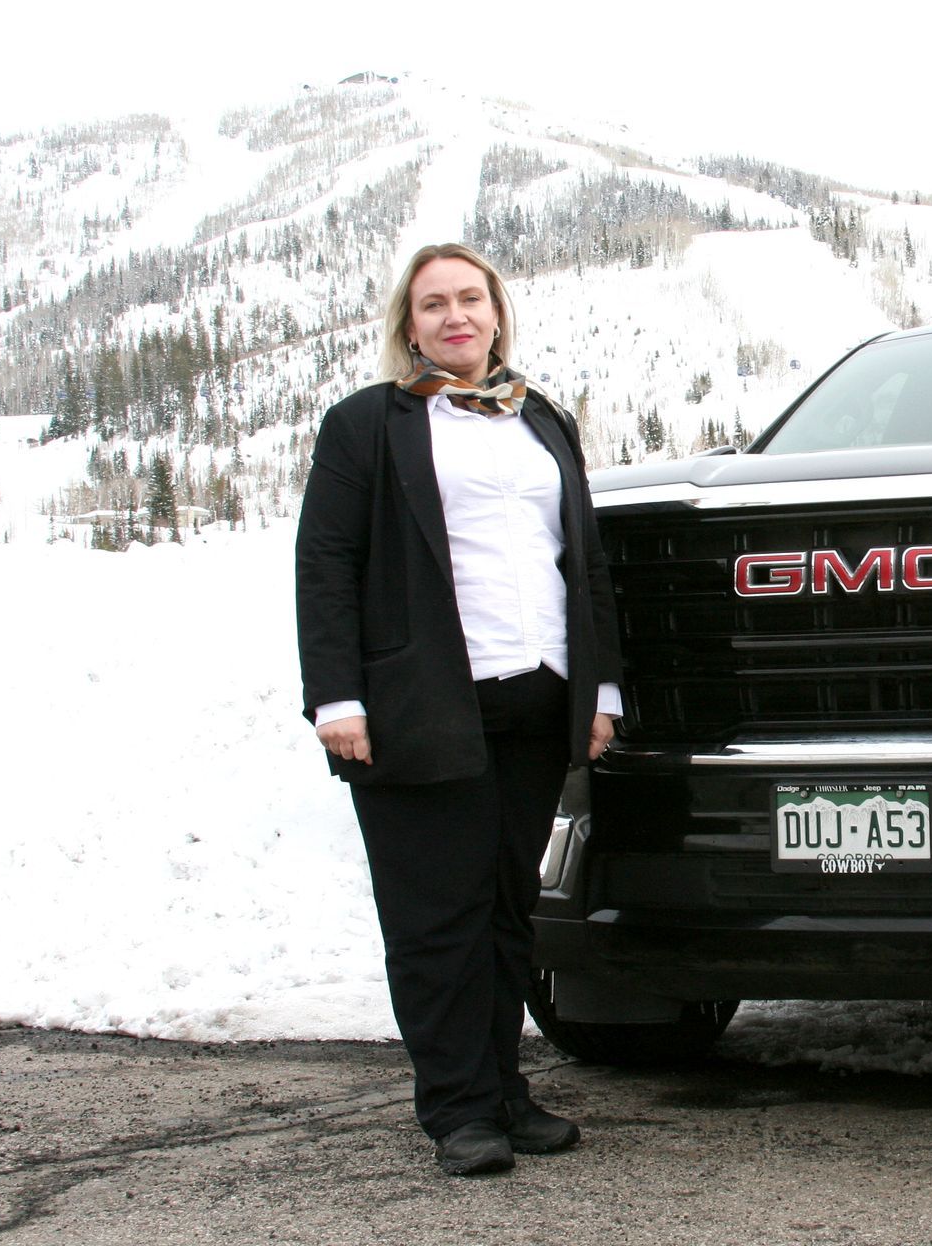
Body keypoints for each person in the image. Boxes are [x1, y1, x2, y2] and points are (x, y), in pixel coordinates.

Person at [295, 242, 623, 1177]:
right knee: (436, 914)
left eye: (470, 300)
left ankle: (505, 1092)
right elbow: (325, 565)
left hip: (536, 694)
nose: (455, 317)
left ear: (495, 313)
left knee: (506, 908)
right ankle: (457, 1108)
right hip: (417, 705)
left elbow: (582, 561)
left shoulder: (541, 420)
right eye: (433, 304)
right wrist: (337, 698)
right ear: (410, 324)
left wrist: (599, 690)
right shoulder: (369, 425)